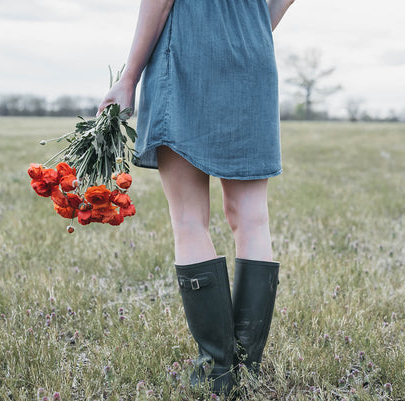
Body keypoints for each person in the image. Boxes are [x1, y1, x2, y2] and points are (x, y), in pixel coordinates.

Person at [97, 0, 295, 395]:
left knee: (189, 218)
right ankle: (245, 365)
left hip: (186, 47)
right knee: (252, 217)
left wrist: (129, 78)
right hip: (251, 49)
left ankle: (218, 370)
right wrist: (251, 26)